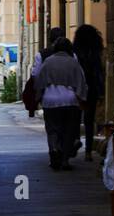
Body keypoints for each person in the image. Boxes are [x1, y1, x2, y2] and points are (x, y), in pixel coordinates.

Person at [35, 35, 87, 170]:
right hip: (70, 100)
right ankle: (65, 161)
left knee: (52, 129)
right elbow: (81, 82)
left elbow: (39, 81)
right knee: (68, 131)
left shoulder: (48, 62)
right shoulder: (73, 63)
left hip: (50, 100)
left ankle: (53, 151)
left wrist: (39, 97)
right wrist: (82, 99)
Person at [73, 23, 105, 161]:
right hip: (91, 87)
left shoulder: (76, 52)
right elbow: (99, 72)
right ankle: (88, 151)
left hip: (78, 87)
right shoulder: (96, 52)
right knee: (89, 120)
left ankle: (75, 140)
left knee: (75, 117)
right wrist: (101, 90)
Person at [23, 27, 64, 119]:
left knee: (51, 125)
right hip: (70, 99)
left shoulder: (42, 54)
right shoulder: (72, 55)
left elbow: (35, 75)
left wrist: (40, 91)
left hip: (49, 97)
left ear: (49, 39)